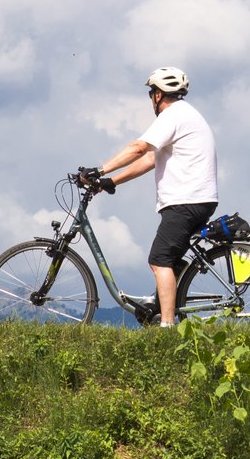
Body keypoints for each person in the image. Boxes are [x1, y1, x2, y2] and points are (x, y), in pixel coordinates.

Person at [80, 67, 217, 327]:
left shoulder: (172, 115)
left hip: (185, 201)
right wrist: (110, 181)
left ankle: (167, 326)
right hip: (197, 199)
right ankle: (161, 309)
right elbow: (151, 159)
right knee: (171, 260)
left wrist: (99, 170)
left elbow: (138, 148)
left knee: (159, 260)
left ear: (157, 95)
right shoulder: (187, 114)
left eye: (151, 93)